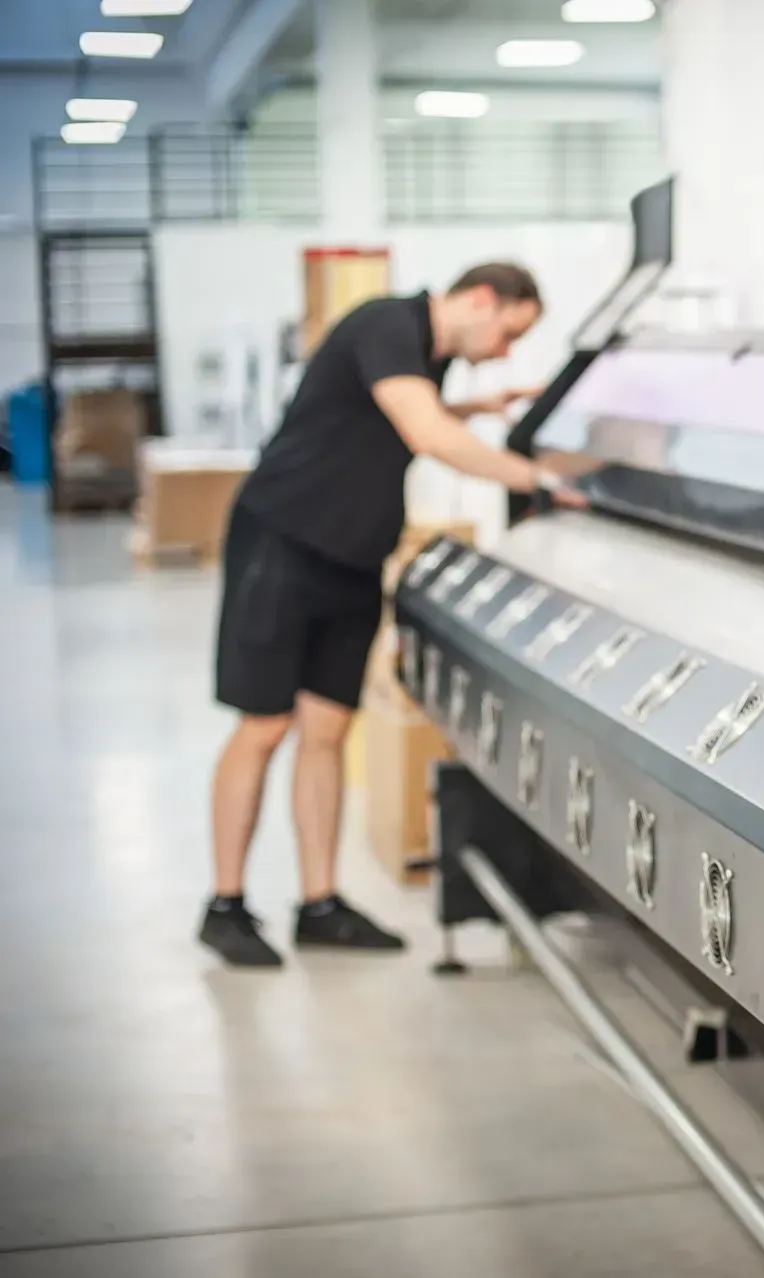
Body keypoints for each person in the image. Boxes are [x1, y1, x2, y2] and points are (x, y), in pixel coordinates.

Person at [200, 262, 587, 968]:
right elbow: (427, 435)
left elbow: (387, 417)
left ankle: (319, 903)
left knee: (326, 729)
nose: (504, 350)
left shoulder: (426, 356)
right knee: (263, 726)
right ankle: (224, 904)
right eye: (508, 332)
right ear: (479, 299)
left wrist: (485, 405)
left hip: (349, 558)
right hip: (282, 545)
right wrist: (541, 480)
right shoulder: (388, 323)